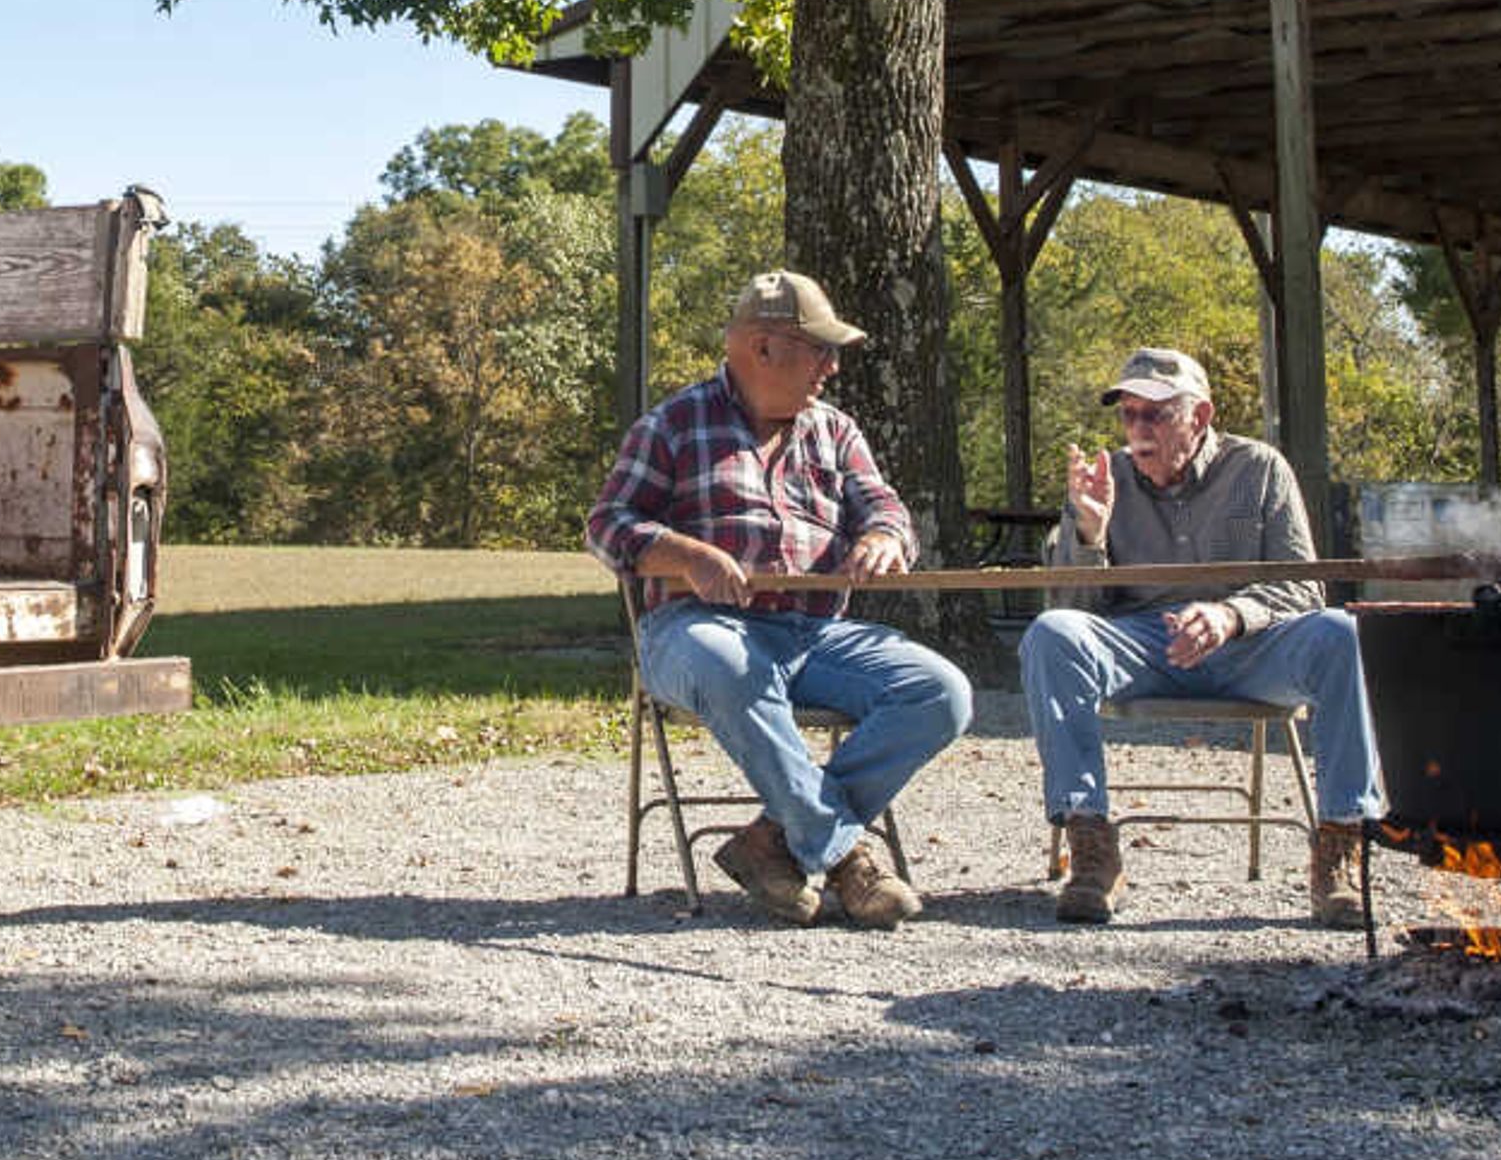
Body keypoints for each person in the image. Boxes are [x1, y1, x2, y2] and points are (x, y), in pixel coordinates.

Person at [586, 269, 975, 929]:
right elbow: (608, 526)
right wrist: (690, 555)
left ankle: (771, 840)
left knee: (941, 692)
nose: (832, 364)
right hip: (696, 629)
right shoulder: (674, 423)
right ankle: (847, 853)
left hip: (816, 634)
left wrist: (884, 536)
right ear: (763, 349)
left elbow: (884, 507)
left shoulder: (836, 431)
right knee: (732, 665)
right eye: (820, 348)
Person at [1021, 348, 1381, 928]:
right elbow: (1072, 609)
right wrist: (1088, 532)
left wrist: (1231, 615)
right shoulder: (1102, 478)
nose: (1139, 429)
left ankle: (1340, 842)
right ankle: (1089, 842)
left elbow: (1303, 589)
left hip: (1250, 647)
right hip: (1145, 643)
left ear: (1201, 416)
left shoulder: (1260, 469)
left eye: (1156, 415)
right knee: (1051, 635)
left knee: (1338, 633)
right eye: (1129, 415)